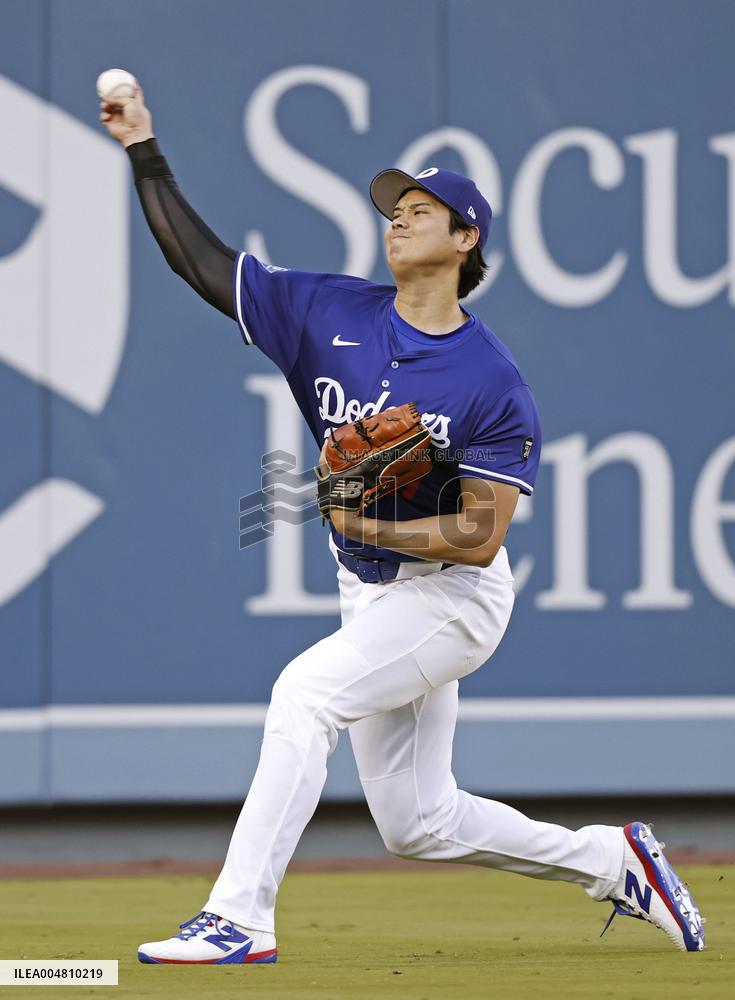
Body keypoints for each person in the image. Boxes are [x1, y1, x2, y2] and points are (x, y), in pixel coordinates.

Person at [99, 82, 705, 963]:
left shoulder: (491, 380)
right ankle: (612, 860)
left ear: (467, 240)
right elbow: (200, 261)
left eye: (423, 210)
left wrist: (361, 520)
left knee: (303, 698)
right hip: (371, 591)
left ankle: (238, 917)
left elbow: (478, 535)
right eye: (393, 207)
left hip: (453, 597)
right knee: (418, 823)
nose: (398, 219)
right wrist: (142, 148)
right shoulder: (326, 311)